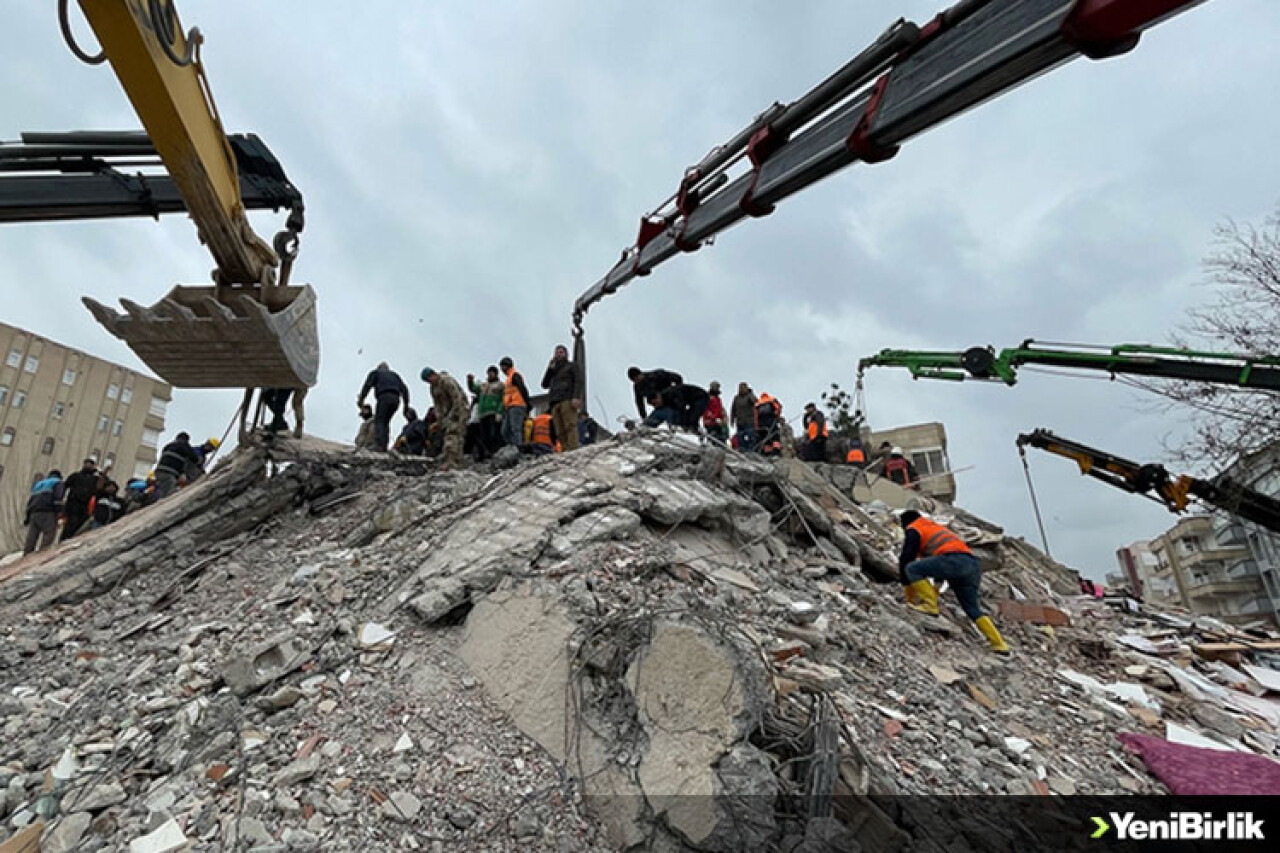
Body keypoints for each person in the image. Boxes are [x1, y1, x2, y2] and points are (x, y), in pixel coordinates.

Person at [898, 510, 1009, 654]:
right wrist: (935, 590)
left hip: (953, 560)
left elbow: (906, 558)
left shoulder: (914, 529)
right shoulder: (934, 527)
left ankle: (930, 606)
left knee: (912, 569)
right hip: (972, 565)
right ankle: (999, 644)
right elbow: (940, 566)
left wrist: (909, 595)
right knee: (971, 608)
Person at [357, 362, 411, 453]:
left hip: (384, 397)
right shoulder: (395, 376)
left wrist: (361, 399)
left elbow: (367, 385)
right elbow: (405, 390)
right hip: (396, 399)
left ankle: (379, 446)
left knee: (380, 421)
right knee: (385, 422)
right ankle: (384, 446)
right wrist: (406, 406)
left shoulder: (376, 373)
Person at [421, 367, 468, 469]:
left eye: (429, 379)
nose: (429, 382)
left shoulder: (446, 381)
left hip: (459, 410)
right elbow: (437, 405)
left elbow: (457, 397)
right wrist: (439, 421)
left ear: (433, 374)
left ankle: (452, 462)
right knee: (450, 434)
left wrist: (454, 414)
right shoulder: (433, 388)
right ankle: (455, 461)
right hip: (447, 413)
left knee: (453, 434)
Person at [541, 345, 581, 452]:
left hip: (567, 399)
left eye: (561, 352)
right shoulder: (553, 370)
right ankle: (565, 449)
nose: (558, 354)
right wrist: (549, 368)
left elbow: (578, 381)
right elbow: (544, 384)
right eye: (557, 352)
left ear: (566, 354)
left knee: (570, 425)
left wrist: (576, 397)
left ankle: (573, 449)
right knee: (559, 430)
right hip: (554, 401)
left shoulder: (571, 366)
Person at [468, 366, 505, 460]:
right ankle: (485, 454)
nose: (490, 374)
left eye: (492, 372)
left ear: (496, 374)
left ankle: (494, 452)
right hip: (483, 413)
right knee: (484, 436)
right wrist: (470, 381)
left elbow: (502, 399)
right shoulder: (483, 385)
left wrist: (499, 411)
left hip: (493, 412)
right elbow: (473, 388)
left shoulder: (500, 385)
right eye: (489, 373)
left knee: (493, 434)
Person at [24, 470, 64, 554]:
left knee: (31, 537)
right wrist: (59, 513)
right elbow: (58, 498)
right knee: (48, 536)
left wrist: (27, 517)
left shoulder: (39, 484)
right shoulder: (57, 482)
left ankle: (26, 556)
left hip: (34, 513)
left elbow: (30, 501)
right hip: (48, 512)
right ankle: (41, 557)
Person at [61, 458, 100, 541]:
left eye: (90, 464)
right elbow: (65, 485)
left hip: (85, 506)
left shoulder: (95, 479)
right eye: (87, 464)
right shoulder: (76, 475)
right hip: (72, 504)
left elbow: (98, 490)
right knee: (69, 525)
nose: (88, 466)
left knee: (79, 526)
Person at [155, 432, 200, 500]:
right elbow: (194, 458)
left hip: (158, 472)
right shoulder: (184, 445)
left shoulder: (168, 446)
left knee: (162, 491)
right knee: (168, 495)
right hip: (169, 473)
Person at [499, 357, 532, 448]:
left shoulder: (515, 375)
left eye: (502, 366)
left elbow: (523, 389)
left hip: (517, 405)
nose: (501, 369)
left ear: (507, 366)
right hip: (509, 407)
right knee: (505, 431)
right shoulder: (509, 378)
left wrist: (528, 404)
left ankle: (518, 449)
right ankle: (512, 448)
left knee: (515, 429)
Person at [730, 383, 758, 452]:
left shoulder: (749, 396)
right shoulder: (736, 398)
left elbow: (755, 402)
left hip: (749, 421)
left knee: (751, 437)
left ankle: (751, 451)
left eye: (742, 388)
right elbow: (733, 409)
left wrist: (751, 393)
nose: (740, 389)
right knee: (740, 438)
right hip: (740, 421)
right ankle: (742, 450)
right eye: (739, 388)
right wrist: (732, 420)